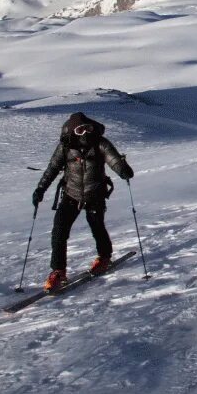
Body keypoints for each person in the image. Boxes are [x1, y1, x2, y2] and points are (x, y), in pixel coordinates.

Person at [33, 112, 134, 293]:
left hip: (95, 194)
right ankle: (58, 271)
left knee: (97, 226)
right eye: (80, 130)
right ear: (72, 132)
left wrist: (123, 170)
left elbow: (113, 159)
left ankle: (104, 257)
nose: (86, 133)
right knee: (59, 230)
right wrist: (40, 189)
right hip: (71, 194)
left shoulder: (100, 143)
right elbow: (52, 169)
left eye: (88, 128)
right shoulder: (65, 147)